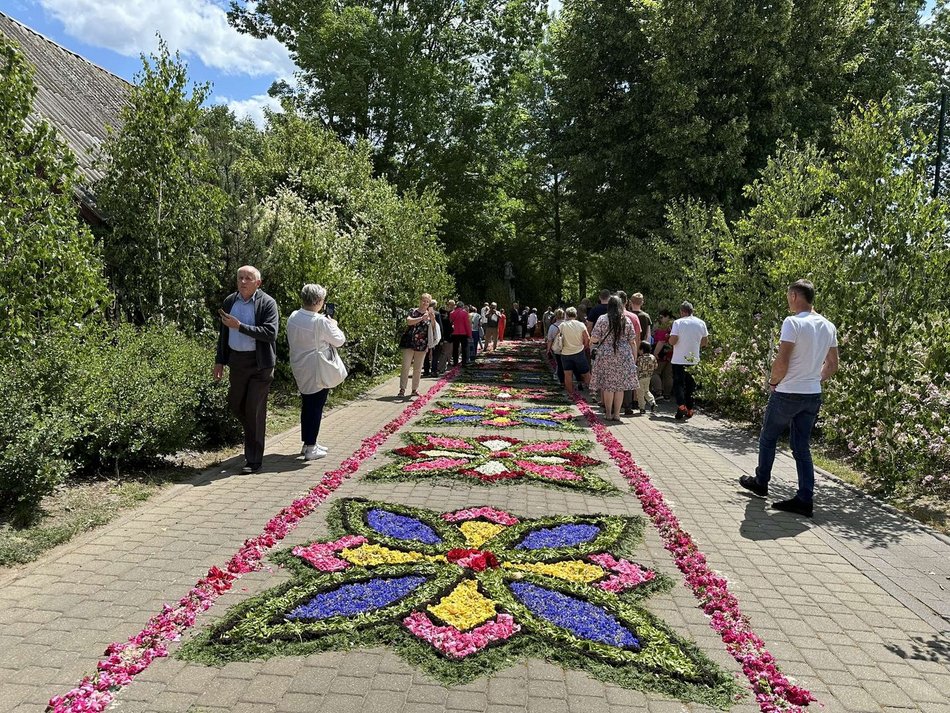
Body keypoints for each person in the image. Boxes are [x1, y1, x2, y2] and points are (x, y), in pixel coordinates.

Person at [740, 280, 839, 518]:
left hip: (787, 392)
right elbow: (833, 364)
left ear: (794, 296)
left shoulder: (792, 322)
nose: (788, 301)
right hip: (812, 394)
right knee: (801, 446)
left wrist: (774, 382)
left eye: (788, 297)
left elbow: (782, 359)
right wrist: (814, 379)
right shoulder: (828, 326)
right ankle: (805, 498)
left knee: (768, 437)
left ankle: (761, 482)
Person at [214, 265, 279, 474]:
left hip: (260, 364)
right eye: (240, 277)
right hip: (237, 362)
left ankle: (253, 461)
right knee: (235, 404)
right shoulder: (230, 301)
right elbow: (223, 333)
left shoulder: (267, 303)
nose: (243, 282)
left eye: (248, 278)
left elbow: (270, 333)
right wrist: (219, 361)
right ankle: (255, 430)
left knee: (253, 410)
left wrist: (240, 326)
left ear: (258, 283)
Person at [287, 284, 346, 460]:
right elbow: (339, 340)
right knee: (316, 407)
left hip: (299, 365)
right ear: (319, 301)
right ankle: (311, 448)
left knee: (307, 404)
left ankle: (308, 443)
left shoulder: (294, 316)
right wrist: (334, 324)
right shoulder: (321, 321)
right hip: (317, 368)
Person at [590, 296, 638, 421]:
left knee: (608, 386)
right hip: (623, 355)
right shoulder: (626, 320)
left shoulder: (602, 319)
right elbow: (632, 341)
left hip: (606, 355)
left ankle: (608, 413)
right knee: (620, 387)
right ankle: (617, 414)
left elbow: (594, 338)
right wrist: (634, 357)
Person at [668, 301, 709, 420]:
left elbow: (673, 340)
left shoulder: (678, 323)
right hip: (694, 359)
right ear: (692, 311)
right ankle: (690, 409)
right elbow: (705, 342)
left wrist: (669, 340)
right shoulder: (701, 323)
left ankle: (681, 406)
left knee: (679, 384)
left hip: (678, 359)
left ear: (682, 312)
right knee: (691, 386)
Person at [399, 293, 433, 398]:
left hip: (422, 344)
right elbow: (409, 321)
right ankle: (402, 389)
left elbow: (434, 329)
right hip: (409, 342)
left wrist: (432, 318)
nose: (425, 303)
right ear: (420, 301)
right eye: (423, 301)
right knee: (405, 366)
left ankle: (414, 389)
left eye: (427, 302)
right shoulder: (413, 311)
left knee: (418, 368)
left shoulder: (430, 314)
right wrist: (421, 318)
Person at [616, 290, 642, 415]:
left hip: (613, 352)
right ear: (626, 302)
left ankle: (613, 405)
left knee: (613, 377)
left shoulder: (609, 316)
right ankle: (627, 405)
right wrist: (635, 353)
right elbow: (636, 338)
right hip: (628, 352)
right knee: (627, 378)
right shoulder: (633, 317)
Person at [558, 307, 591, 395]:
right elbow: (587, 338)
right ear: (575, 315)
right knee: (586, 373)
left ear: (566, 315)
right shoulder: (581, 325)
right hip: (579, 351)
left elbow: (557, 338)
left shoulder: (562, 325)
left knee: (568, 374)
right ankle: (592, 392)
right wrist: (584, 346)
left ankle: (570, 394)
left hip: (565, 353)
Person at [652, 309, 675, 399]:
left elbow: (661, 342)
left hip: (661, 353)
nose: (660, 319)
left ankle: (658, 392)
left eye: (662, 317)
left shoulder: (664, 328)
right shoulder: (674, 327)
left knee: (655, 372)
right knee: (668, 375)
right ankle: (667, 394)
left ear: (667, 317)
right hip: (671, 354)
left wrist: (655, 353)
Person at [634, 341, 658, 415]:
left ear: (642, 350)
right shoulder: (652, 357)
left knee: (640, 393)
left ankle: (642, 408)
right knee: (646, 391)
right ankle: (652, 402)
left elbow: (638, 368)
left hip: (640, 377)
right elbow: (656, 366)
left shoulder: (640, 358)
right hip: (648, 377)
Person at [546, 308, 566, 384]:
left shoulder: (552, 327)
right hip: (567, 347)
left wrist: (548, 350)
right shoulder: (567, 325)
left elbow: (549, 339)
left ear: (555, 316)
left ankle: (561, 380)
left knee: (559, 363)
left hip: (557, 348)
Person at [423, 299, 442, 376]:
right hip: (434, 336)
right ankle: (434, 370)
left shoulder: (424, 313)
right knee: (435, 354)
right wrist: (442, 338)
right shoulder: (436, 313)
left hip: (425, 335)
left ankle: (426, 370)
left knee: (426, 354)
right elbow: (440, 326)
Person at [450, 300, 472, 365]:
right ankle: (464, 362)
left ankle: (455, 362)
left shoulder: (452, 313)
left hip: (455, 332)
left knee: (455, 348)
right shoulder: (465, 313)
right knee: (464, 348)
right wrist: (469, 334)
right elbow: (467, 324)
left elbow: (450, 323)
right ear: (462, 306)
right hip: (463, 333)